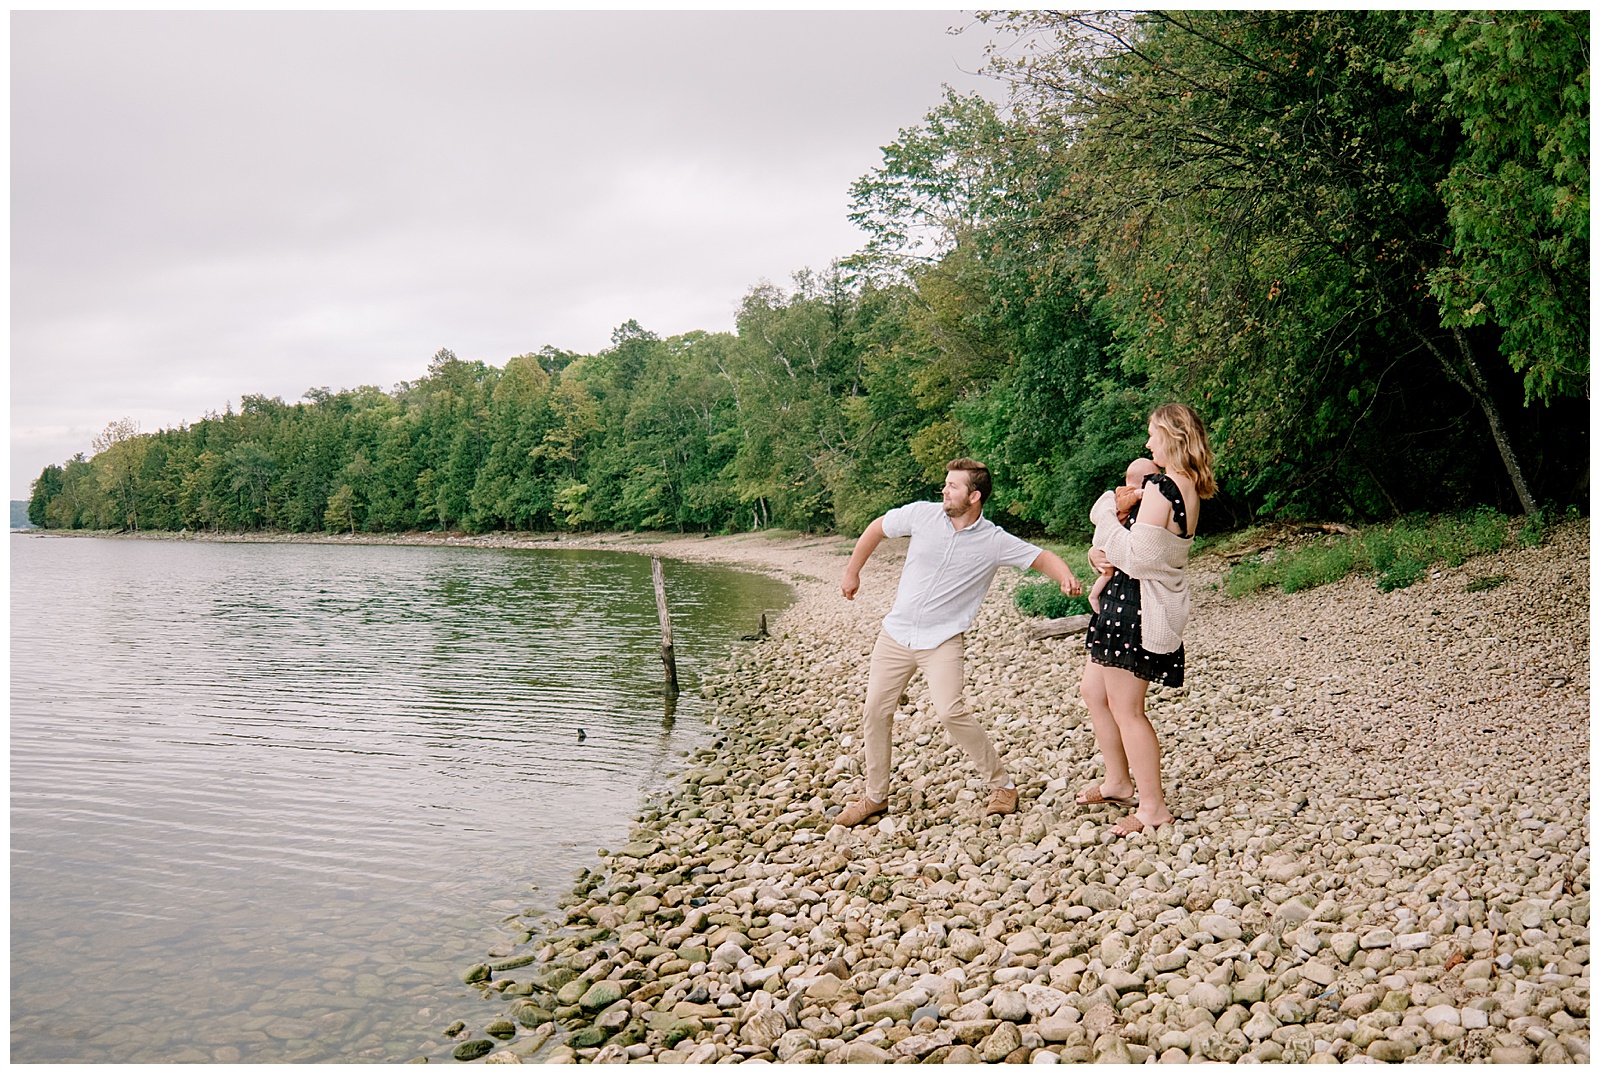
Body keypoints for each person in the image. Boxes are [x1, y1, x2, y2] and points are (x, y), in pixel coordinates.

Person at [834, 458, 1084, 827]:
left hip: (943, 641)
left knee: (951, 711)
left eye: (953, 486)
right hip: (897, 634)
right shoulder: (921, 514)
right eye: (945, 484)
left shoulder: (994, 541)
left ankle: (1003, 785)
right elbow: (877, 529)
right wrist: (852, 571)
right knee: (874, 711)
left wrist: (1064, 575)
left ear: (975, 496)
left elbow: (1040, 557)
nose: (944, 490)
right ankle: (875, 797)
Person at [1077, 404, 1216, 837]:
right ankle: (1118, 782)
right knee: (1093, 692)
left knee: (1127, 708)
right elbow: (1134, 552)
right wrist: (1100, 555)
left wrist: (1103, 516)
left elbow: (1142, 557)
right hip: (1126, 595)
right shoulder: (1185, 484)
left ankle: (1153, 807)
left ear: (1172, 436)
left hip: (1135, 605)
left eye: (1153, 434)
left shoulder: (1163, 485)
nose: (1148, 442)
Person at [1088, 457, 1162, 614]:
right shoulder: (1127, 493)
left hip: (1134, 592)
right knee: (1106, 572)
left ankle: (1094, 595)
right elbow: (1119, 508)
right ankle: (1093, 596)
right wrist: (1136, 495)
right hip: (1116, 592)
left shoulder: (1155, 504)